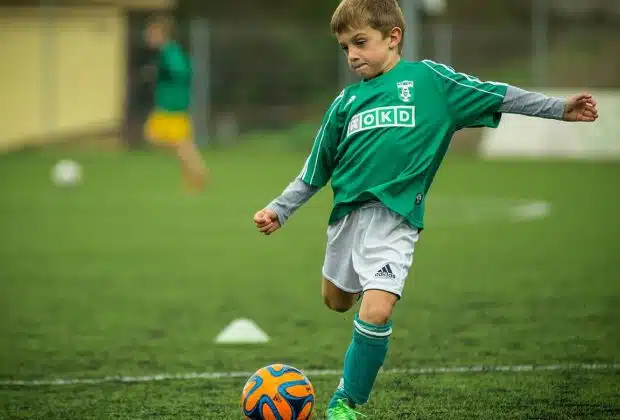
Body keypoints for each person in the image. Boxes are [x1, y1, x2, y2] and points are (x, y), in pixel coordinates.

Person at [253, 0, 599, 418]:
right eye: (345, 48)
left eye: (360, 42)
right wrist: (279, 209)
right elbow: (315, 170)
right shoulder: (345, 103)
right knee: (336, 301)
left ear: (393, 37)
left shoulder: (430, 81)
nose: (353, 55)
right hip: (346, 219)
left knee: (377, 309)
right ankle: (363, 291)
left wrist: (560, 109)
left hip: (396, 222)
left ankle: (346, 402)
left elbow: (498, 94)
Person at [143, 15, 208, 193]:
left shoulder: (170, 52)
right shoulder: (167, 52)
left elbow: (182, 71)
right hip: (167, 105)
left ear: (162, 34)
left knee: (177, 144)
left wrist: (163, 73)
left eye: (151, 34)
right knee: (161, 140)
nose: (148, 37)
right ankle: (194, 174)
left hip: (171, 107)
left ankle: (198, 173)